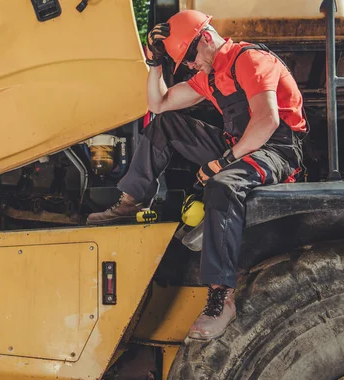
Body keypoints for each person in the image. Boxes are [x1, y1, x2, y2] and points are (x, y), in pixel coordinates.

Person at [86, 10, 307, 340]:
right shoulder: (210, 76)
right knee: (165, 125)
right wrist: (155, 63)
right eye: (183, 61)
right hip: (240, 144)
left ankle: (221, 299)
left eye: (189, 56)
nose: (189, 65)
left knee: (222, 185)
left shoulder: (250, 60)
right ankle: (130, 200)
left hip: (277, 150)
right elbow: (158, 104)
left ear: (206, 38)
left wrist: (222, 163)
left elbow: (266, 121)